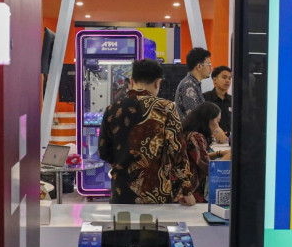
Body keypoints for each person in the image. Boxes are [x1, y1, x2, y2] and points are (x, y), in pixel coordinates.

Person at [98, 59, 196, 205]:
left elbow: (103, 151)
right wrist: (187, 190)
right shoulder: (166, 108)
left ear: (131, 81)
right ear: (158, 83)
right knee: (156, 221)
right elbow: (177, 151)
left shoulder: (112, 109)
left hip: (121, 192)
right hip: (156, 192)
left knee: (122, 220)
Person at [181, 102, 231, 202]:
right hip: (192, 193)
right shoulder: (196, 138)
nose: (218, 126)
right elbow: (210, 169)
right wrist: (230, 155)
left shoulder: (188, 134)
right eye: (217, 121)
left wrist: (219, 154)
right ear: (208, 120)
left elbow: (199, 157)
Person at [174, 47, 212, 118]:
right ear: (199, 66)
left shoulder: (194, 84)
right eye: (208, 64)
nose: (211, 67)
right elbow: (194, 116)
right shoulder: (188, 85)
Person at [203, 64, 232, 143]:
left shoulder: (232, 100)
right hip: (210, 141)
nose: (227, 81)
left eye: (229, 78)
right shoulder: (205, 99)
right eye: (224, 77)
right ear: (215, 79)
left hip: (229, 142)